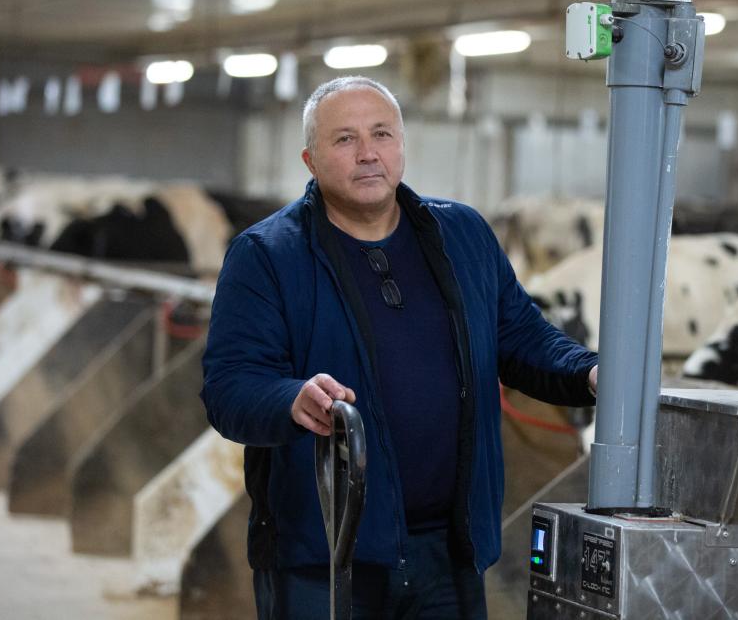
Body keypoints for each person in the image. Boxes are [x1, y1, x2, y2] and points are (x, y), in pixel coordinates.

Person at [201, 76, 599, 620]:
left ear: (402, 146)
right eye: (344, 139)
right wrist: (291, 399)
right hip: (327, 556)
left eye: (382, 134)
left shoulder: (462, 234)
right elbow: (229, 387)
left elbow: (522, 336)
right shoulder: (266, 256)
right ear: (310, 159)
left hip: (449, 550)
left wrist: (590, 372)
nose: (368, 154)